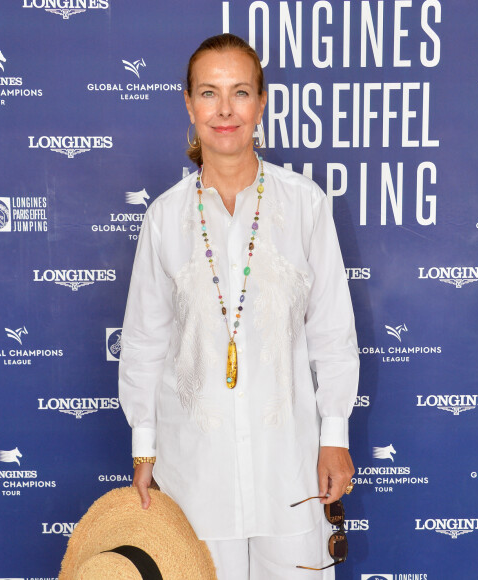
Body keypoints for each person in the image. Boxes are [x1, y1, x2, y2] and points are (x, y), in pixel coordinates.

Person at [119, 33, 359, 580]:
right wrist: (144, 450)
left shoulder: (305, 205)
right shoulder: (164, 218)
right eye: (209, 93)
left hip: (292, 470)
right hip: (193, 474)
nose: (225, 110)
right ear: (188, 103)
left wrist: (334, 436)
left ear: (262, 102)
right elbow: (144, 342)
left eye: (240, 92)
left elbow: (332, 332)